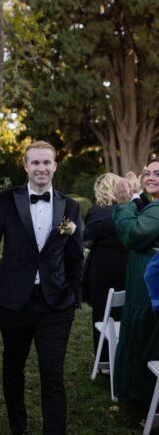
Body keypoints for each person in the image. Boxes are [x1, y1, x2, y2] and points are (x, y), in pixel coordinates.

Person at [0, 140, 83, 435]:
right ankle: (19, 426)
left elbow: (75, 257)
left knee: (52, 373)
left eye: (46, 162)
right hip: (13, 301)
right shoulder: (7, 200)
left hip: (56, 304)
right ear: (26, 166)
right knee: (13, 367)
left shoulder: (70, 207)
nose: (41, 168)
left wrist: (75, 295)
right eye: (35, 163)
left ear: (54, 166)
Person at [113, 159, 159, 404]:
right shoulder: (153, 205)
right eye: (148, 173)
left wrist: (123, 203)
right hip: (143, 284)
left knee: (145, 335)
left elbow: (134, 234)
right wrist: (136, 197)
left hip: (148, 288)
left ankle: (145, 399)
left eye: (157, 174)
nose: (151, 177)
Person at [83, 173, 128, 364]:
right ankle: (123, 357)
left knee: (102, 313)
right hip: (127, 267)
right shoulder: (130, 210)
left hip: (103, 270)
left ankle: (104, 362)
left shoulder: (98, 212)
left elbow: (88, 241)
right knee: (123, 312)